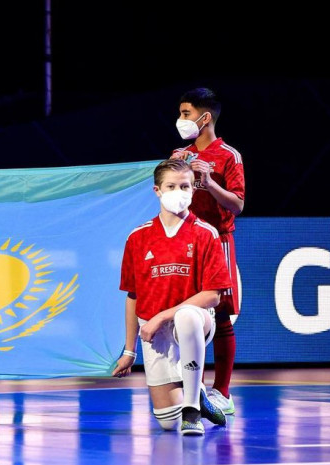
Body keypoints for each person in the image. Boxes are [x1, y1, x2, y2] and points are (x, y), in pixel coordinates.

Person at [112, 158, 230, 435]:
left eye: (185, 186)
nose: (180, 191)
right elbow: (133, 296)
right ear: (157, 191)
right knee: (167, 423)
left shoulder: (205, 233)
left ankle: (192, 409)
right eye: (172, 186)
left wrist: (164, 315)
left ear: (193, 190)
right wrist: (130, 351)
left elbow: (213, 296)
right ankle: (197, 393)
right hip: (154, 331)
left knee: (186, 316)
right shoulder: (137, 237)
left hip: (194, 322)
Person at [170, 87, 245, 415]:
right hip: (186, 242)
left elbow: (239, 204)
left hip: (217, 242)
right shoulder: (179, 153)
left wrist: (208, 180)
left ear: (206, 117)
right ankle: (190, 389)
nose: (181, 120)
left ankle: (222, 393)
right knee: (183, 314)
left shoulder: (229, 156)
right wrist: (176, 172)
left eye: (186, 114)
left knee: (222, 315)